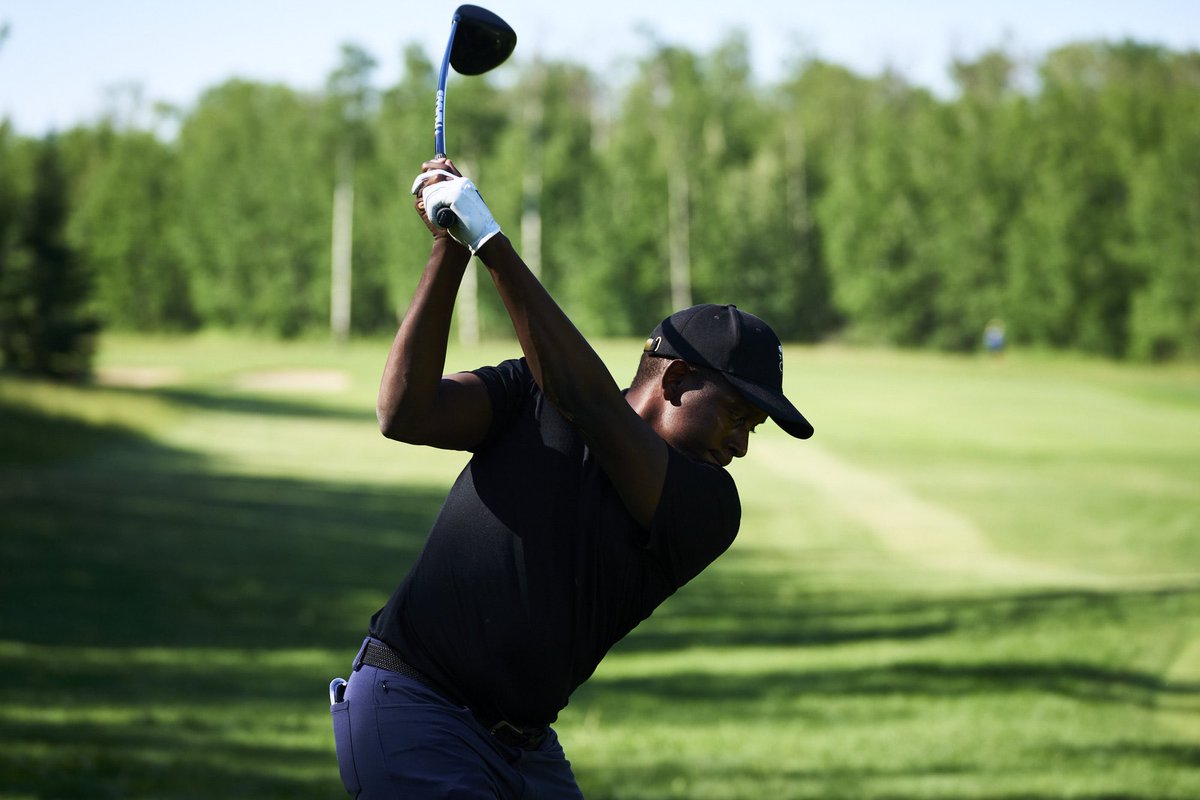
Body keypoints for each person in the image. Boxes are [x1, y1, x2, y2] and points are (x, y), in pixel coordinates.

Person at [329, 159, 814, 799]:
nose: (742, 445)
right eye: (736, 416)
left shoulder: (709, 509)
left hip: (526, 748)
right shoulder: (530, 394)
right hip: (414, 703)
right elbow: (404, 413)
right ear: (673, 381)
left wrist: (489, 238)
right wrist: (451, 244)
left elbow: (587, 403)